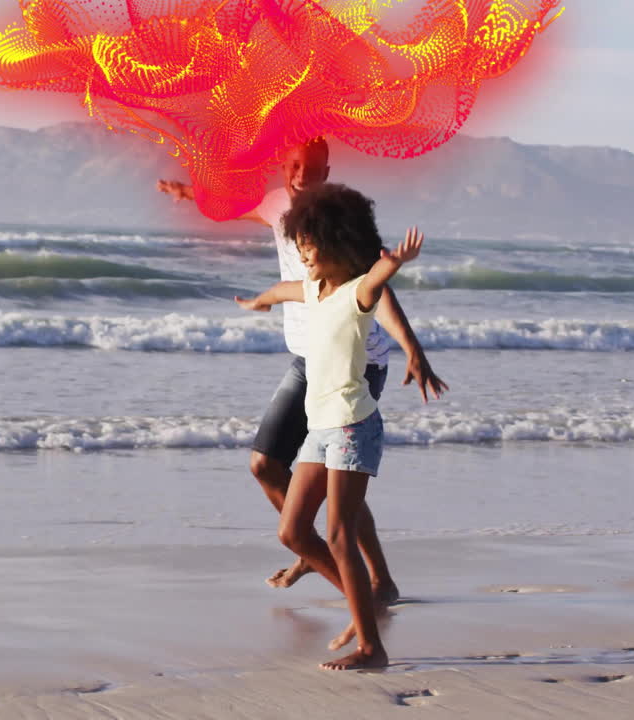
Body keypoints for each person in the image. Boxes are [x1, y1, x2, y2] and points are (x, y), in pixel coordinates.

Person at [157, 139, 447, 603]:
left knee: (339, 480)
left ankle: (370, 581)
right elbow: (235, 207)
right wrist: (188, 193)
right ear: (282, 165)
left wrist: (412, 347)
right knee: (265, 465)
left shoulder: (337, 220)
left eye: (311, 169)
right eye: (293, 165)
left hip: (358, 362)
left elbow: (377, 288)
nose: (300, 176)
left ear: (326, 171)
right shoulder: (277, 206)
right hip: (308, 359)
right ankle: (313, 550)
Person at [235, 183, 423, 670]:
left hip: (351, 429)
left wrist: (394, 260)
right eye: (299, 246)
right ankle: (365, 612)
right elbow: (283, 290)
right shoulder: (314, 290)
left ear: (339, 243)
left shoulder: (355, 293)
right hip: (321, 430)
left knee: (339, 535)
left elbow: (377, 278)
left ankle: (370, 647)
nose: (303, 255)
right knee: (293, 532)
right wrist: (258, 302)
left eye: (310, 247)